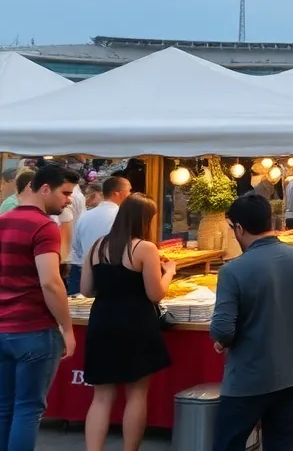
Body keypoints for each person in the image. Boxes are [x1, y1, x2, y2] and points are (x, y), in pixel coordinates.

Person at [211, 194, 293, 451]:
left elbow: (222, 329)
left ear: (239, 228)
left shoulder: (232, 271)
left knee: (228, 442)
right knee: (280, 440)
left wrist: (224, 340)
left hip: (248, 375)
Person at [81, 193, 172, 451]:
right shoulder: (144, 248)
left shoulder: (97, 246)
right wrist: (169, 272)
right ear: (145, 220)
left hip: (102, 320)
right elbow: (155, 294)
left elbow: (86, 290)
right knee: (136, 394)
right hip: (135, 323)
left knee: (101, 397)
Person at [0, 163, 78, 451]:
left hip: (3, 327)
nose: (68, 201)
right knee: (28, 409)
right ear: (45, 189)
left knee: (5, 407)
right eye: (65, 193)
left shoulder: (3, 220)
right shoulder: (45, 226)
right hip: (34, 328)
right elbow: (51, 282)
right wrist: (67, 329)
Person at [68, 176, 131, 295]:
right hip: (116, 278)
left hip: (86, 274)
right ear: (117, 193)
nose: (130, 195)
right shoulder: (122, 216)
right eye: (128, 191)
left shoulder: (85, 217)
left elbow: (76, 246)